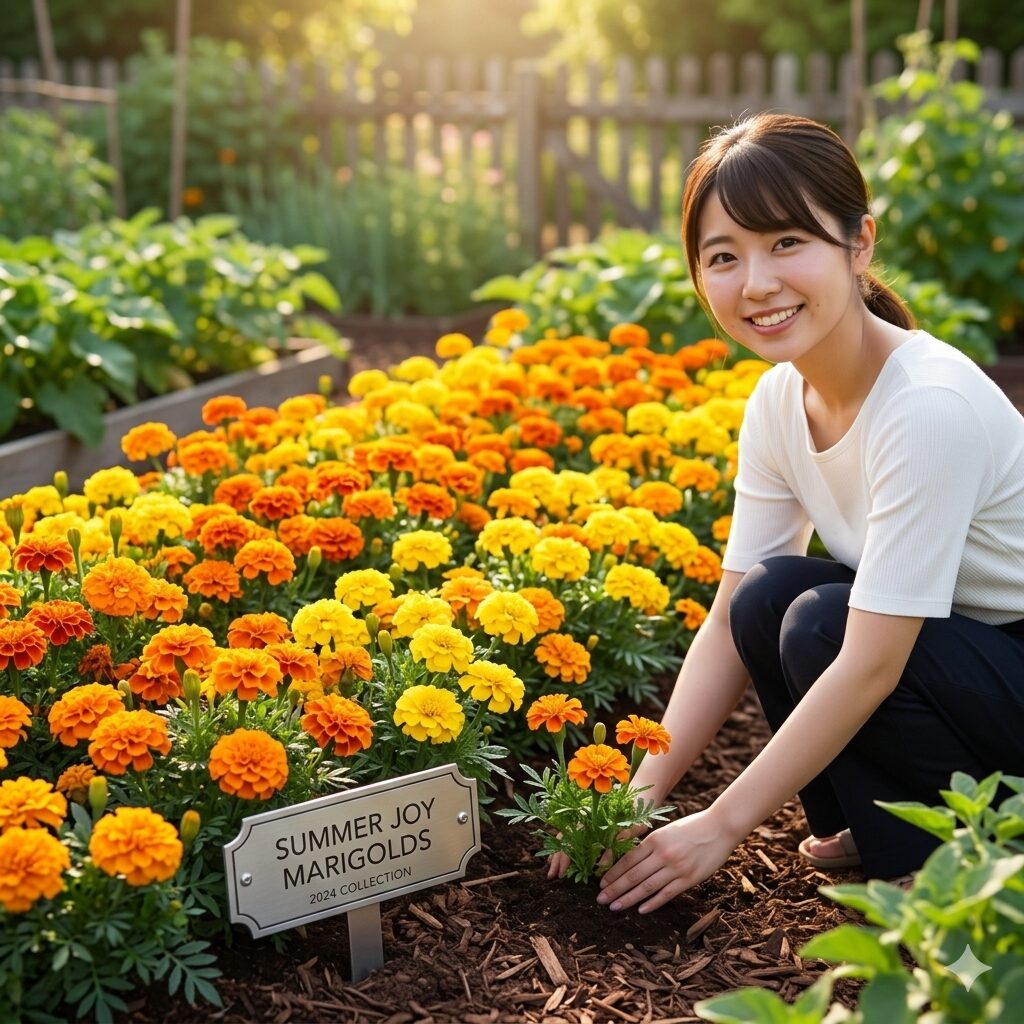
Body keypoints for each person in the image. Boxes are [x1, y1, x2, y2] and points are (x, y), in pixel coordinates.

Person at [551, 112, 1024, 914]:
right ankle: (878, 828)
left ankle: (948, 862)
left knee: (821, 624)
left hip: (1006, 658)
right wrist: (636, 798)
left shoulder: (926, 406)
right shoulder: (779, 400)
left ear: (859, 243)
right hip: (960, 662)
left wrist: (721, 826)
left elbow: (872, 663)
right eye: (724, 256)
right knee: (769, 597)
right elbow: (729, 619)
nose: (757, 283)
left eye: (786, 242)